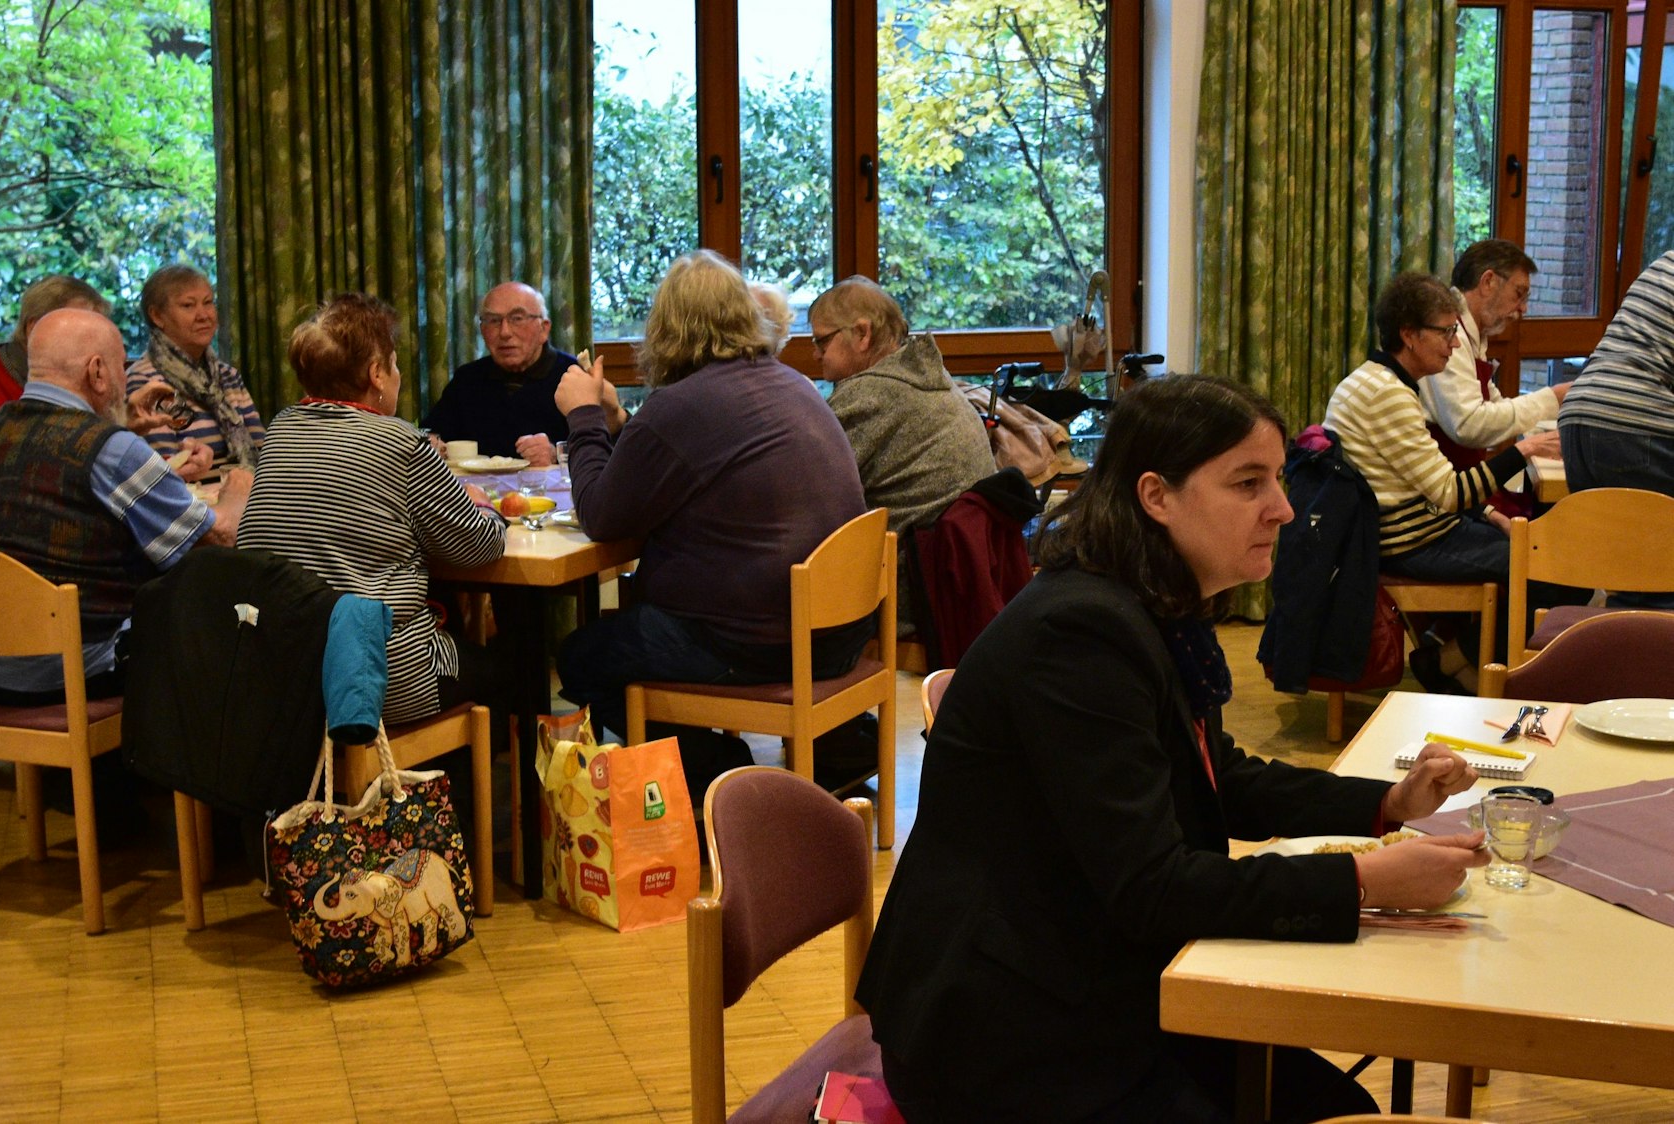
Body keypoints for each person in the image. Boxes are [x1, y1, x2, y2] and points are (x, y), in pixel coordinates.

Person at [857, 375, 1486, 1123]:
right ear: (1156, 496)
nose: (1282, 508)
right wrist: (1365, 881)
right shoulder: (1080, 635)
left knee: (1336, 1104)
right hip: (1005, 1033)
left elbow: (1214, 773)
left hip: (1085, 979)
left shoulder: (1141, 601)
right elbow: (1152, 888)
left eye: (1277, 479)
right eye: (1247, 483)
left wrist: (1384, 802)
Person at [554, 250, 870, 797]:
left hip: (764, 644)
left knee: (583, 656)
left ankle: (717, 772)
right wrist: (617, 423)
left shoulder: (681, 406)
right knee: (637, 624)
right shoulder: (789, 382)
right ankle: (746, 760)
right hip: (841, 630)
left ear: (665, 329)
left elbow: (603, 516)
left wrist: (582, 418)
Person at [0, 309, 252, 703]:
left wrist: (121, 427)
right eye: (121, 366)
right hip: (63, 670)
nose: (126, 379)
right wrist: (238, 490)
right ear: (97, 372)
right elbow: (217, 541)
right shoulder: (111, 448)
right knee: (240, 611)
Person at [235, 293, 508, 725]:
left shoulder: (282, 428)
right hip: (374, 679)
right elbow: (479, 548)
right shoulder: (399, 441)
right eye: (396, 365)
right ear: (376, 374)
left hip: (285, 674)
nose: (398, 376)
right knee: (509, 669)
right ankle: (446, 789)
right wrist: (487, 510)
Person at [1324, 271, 1563, 690]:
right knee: (1555, 569)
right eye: (1446, 332)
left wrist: (1489, 514)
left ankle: (1451, 657)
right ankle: (1454, 661)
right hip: (1407, 542)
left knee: (1537, 550)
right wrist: (1523, 451)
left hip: (1412, 528)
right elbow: (1449, 494)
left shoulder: (1379, 381)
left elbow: (1429, 481)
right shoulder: (1388, 395)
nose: (1455, 344)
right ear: (1409, 334)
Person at [0, 276, 200, 542]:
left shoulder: (77, 388)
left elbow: (76, 466)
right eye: (81, 334)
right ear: (36, 329)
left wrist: (131, 437)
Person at [808, 277, 995, 625]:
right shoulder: (932, 379)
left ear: (862, 334)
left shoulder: (870, 395)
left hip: (908, 596)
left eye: (822, 340)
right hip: (955, 585)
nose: (815, 353)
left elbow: (806, 497)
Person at [1558, 249, 1674, 608]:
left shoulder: (1666, 263)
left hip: (1579, 418)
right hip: (1633, 422)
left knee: (1632, 569)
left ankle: (1618, 656)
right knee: (1660, 576)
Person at [1417, 239, 1570, 465]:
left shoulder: (1473, 334)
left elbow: (1495, 407)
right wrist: (1552, 398)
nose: (1523, 308)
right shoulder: (1449, 334)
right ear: (1488, 281)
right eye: (1519, 293)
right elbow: (1468, 424)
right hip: (1446, 485)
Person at [126, 264, 266, 467]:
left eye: (208, 303)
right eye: (188, 306)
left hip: (244, 491)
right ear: (157, 316)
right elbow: (162, 467)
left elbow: (260, 449)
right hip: (189, 495)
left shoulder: (228, 376)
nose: (204, 315)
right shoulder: (145, 381)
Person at [423, 282, 577, 465]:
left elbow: (603, 452)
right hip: (477, 492)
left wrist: (557, 454)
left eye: (517, 318)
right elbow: (434, 432)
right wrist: (431, 443)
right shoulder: (467, 379)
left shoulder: (573, 376)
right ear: (482, 330)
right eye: (494, 321)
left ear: (543, 329)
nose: (504, 332)